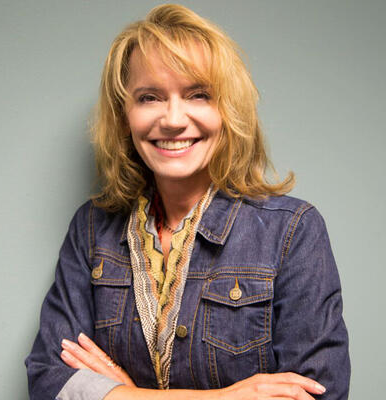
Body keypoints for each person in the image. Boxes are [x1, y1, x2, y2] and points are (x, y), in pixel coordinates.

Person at [25, 4, 350, 399]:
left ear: (227, 110)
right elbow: (49, 381)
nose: (174, 119)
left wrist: (122, 393)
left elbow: (318, 394)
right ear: (124, 114)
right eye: (149, 97)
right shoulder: (92, 228)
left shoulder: (292, 231)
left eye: (198, 95)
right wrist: (223, 397)